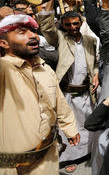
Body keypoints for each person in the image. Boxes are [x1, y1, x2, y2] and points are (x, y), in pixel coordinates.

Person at [0, 14, 79, 174]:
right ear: (3, 43)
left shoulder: (45, 68)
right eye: (22, 32)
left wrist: (69, 127)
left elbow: (59, 101)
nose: (33, 36)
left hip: (47, 157)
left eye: (33, 31)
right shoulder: (4, 69)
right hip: (11, 167)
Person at [38, 0, 99, 171]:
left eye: (75, 23)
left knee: (86, 124)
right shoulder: (61, 38)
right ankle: (69, 159)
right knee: (68, 126)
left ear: (81, 23)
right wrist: (49, 3)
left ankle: (87, 154)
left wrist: (96, 74)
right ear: (63, 26)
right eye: (68, 24)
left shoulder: (89, 40)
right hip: (67, 93)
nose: (72, 27)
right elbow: (48, 28)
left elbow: (95, 61)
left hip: (86, 93)